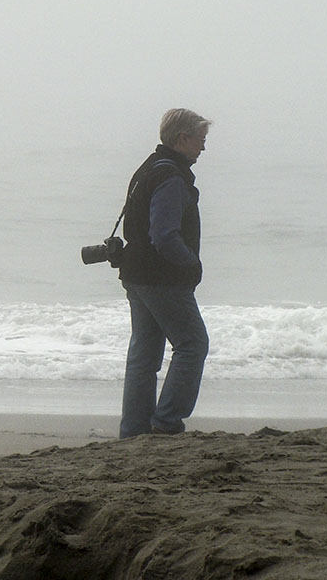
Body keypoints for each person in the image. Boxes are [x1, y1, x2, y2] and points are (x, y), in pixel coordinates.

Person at [117, 108, 211, 438]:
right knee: (193, 345)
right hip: (162, 279)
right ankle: (166, 422)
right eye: (200, 139)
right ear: (182, 138)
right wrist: (190, 263)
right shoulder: (170, 176)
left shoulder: (149, 167)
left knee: (144, 355)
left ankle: (134, 431)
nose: (203, 147)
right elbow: (164, 235)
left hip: (136, 274)